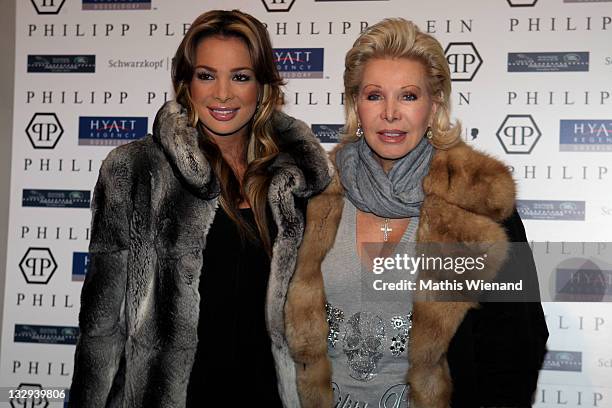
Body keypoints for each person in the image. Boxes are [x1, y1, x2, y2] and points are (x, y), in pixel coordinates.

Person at [69, 10, 333, 408]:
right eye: (207, 75)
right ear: (186, 83)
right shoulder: (136, 171)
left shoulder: (297, 182)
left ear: (262, 86)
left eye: (240, 76)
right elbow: (102, 324)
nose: (222, 93)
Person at [293, 18, 549, 407]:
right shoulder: (313, 197)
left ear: (434, 107)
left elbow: (519, 346)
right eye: (375, 95)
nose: (391, 113)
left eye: (409, 96)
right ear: (355, 106)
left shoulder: (477, 206)